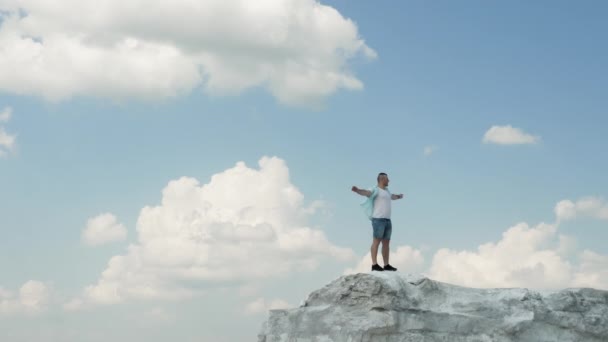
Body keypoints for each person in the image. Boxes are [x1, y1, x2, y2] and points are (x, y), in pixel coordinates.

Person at [352, 172, 404, 272]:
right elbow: (366, 193)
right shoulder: (375, 190)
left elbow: (392, 197)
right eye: (387, 179)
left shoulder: (387, 191)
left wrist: (399, 196)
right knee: (376, 241)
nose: (389, 181)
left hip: (387, 220)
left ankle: (386, 265)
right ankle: (374, 264)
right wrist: (357, 190)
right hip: (378, 220)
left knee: (386, 243)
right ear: (382, 179)